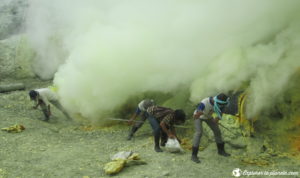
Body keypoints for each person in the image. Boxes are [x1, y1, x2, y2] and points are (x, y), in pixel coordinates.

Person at [191, 93, 231, 163]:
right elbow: (197, 113)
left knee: (217, 131)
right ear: (216, 101)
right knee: (199, 133)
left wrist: (217, 119)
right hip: (199, 117)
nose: (221, 106)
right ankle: (194, 155)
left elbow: (221, 112)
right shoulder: (204, 102)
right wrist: (197, 114)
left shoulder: (221, 104)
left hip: (208, 117)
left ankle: (221, 151)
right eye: (221, 104)